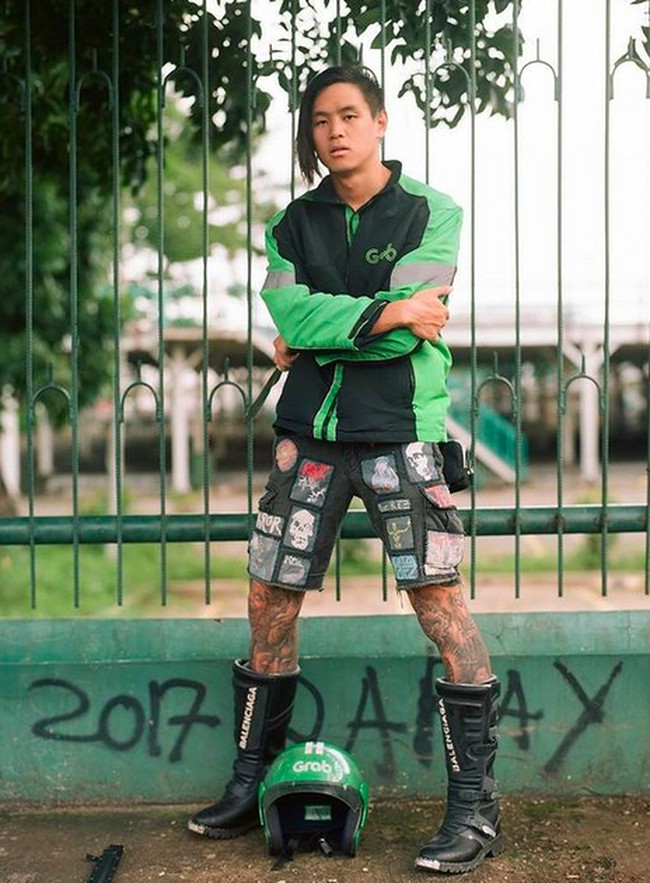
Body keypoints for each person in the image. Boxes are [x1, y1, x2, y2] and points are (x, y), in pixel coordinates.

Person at [188, 64, 504, 875]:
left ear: (381, 121)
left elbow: (409, 329)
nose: (334, 130)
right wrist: (382, 309)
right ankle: (251, 777)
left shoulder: (435, 211)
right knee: (269, 595)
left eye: (349, 115)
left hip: (402, 431)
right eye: (320, 120)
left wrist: (339, 325)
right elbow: (293, 312)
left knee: (438, 602)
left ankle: (473, 809)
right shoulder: (293, 223)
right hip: (310, 436)